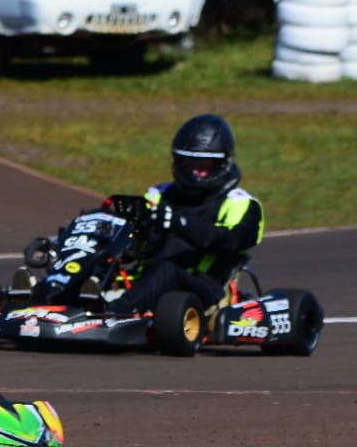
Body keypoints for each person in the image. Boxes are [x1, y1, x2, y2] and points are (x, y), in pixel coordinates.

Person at [105, 114, 263, 315]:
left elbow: (230, 241)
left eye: (202, 167)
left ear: (222, 165)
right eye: (188, 165)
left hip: (204, 288)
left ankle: (113, 314)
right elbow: (138, 243)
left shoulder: (241, 203)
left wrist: (178, 222)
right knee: (101, 256)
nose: (193, 173)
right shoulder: (159, 194)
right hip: (145, 282)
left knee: (168, 269)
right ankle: (64, 300)